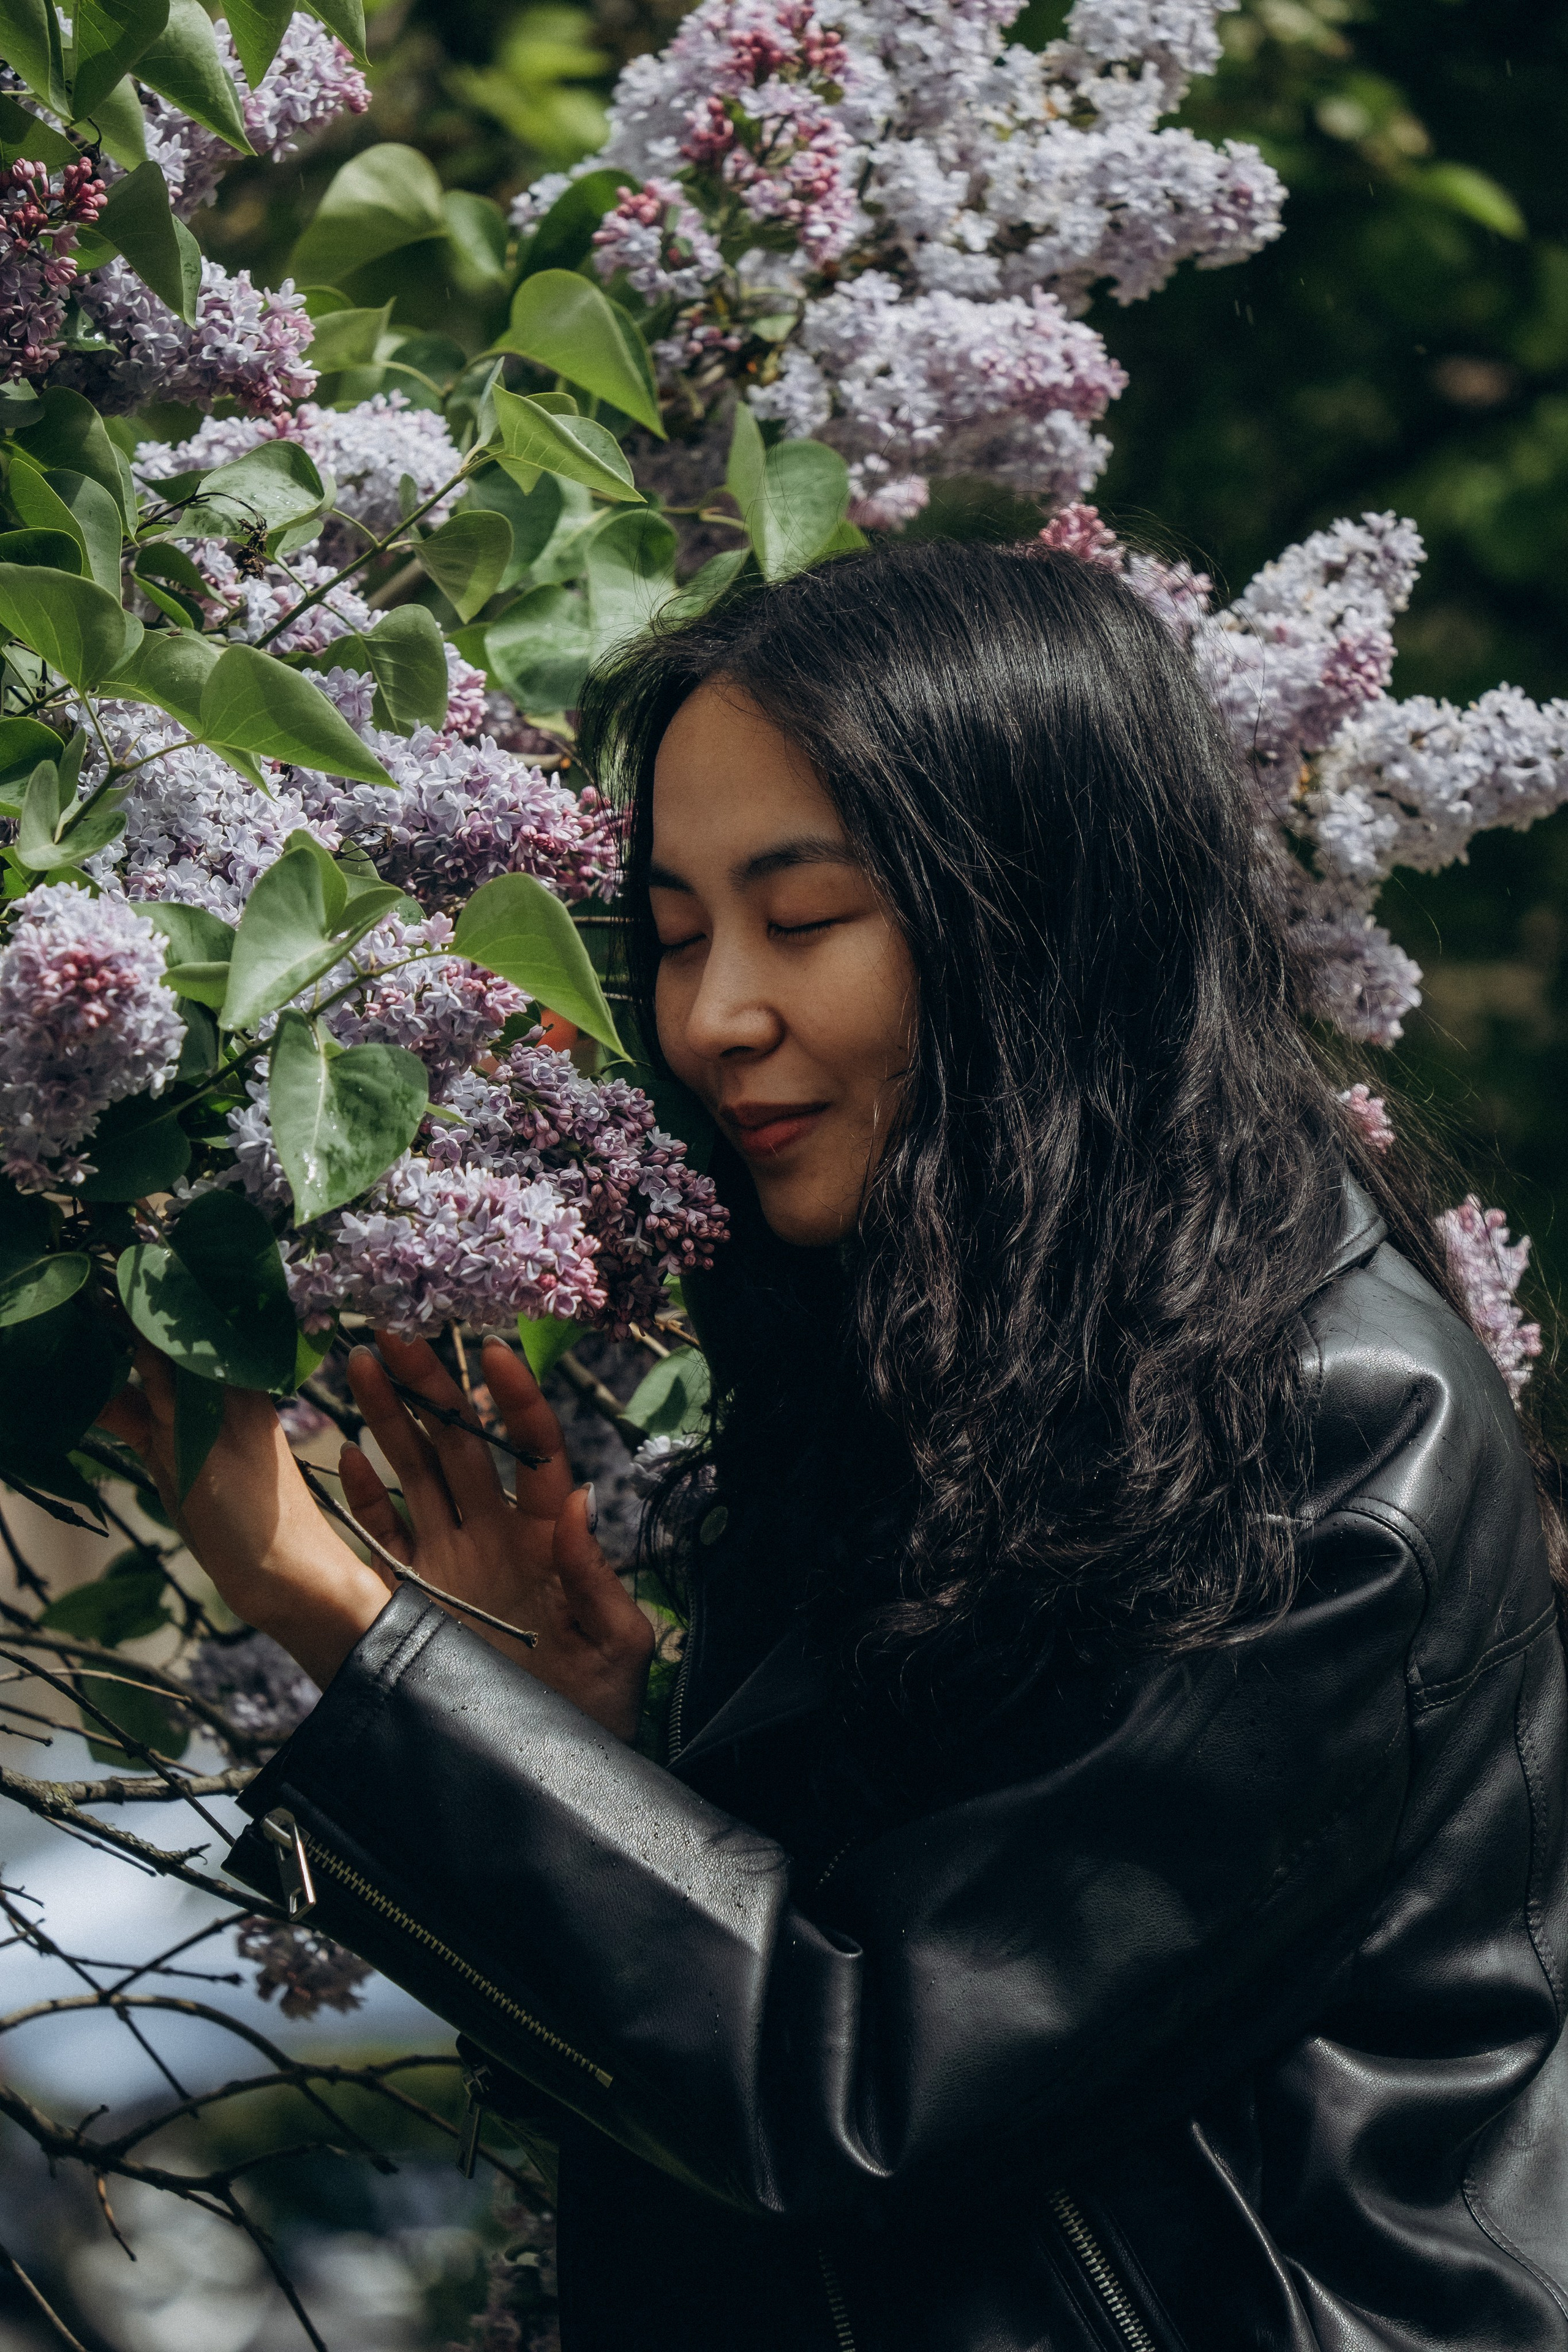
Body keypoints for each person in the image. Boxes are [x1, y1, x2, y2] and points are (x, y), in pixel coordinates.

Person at [104, 541, 1568, 2352]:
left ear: (1038, 920)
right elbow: (773, 2080)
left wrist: (336, 1609)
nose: (714, 1016)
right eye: (677, 934)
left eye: (801, 920)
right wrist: (574, 1754)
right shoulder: (963, 1355)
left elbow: (861, 2088)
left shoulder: (1328, 1433)